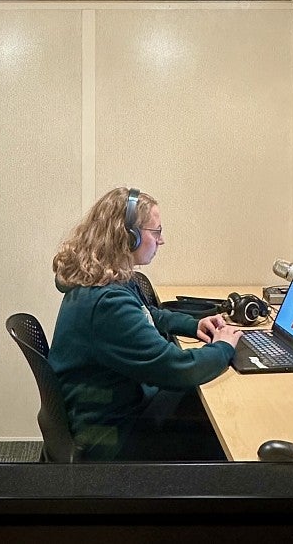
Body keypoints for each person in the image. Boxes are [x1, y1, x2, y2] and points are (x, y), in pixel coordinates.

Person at [48, 186, 242, 461]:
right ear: (130, 237)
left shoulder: (107, 280)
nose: (161, 240)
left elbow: (147, 313)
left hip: (112, 411)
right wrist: (223, 347)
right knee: (213, 413)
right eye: (156, 231)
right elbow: (177, 369)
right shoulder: (107, 303)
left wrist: (192, 325)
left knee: (203, 397)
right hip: (111, 437)